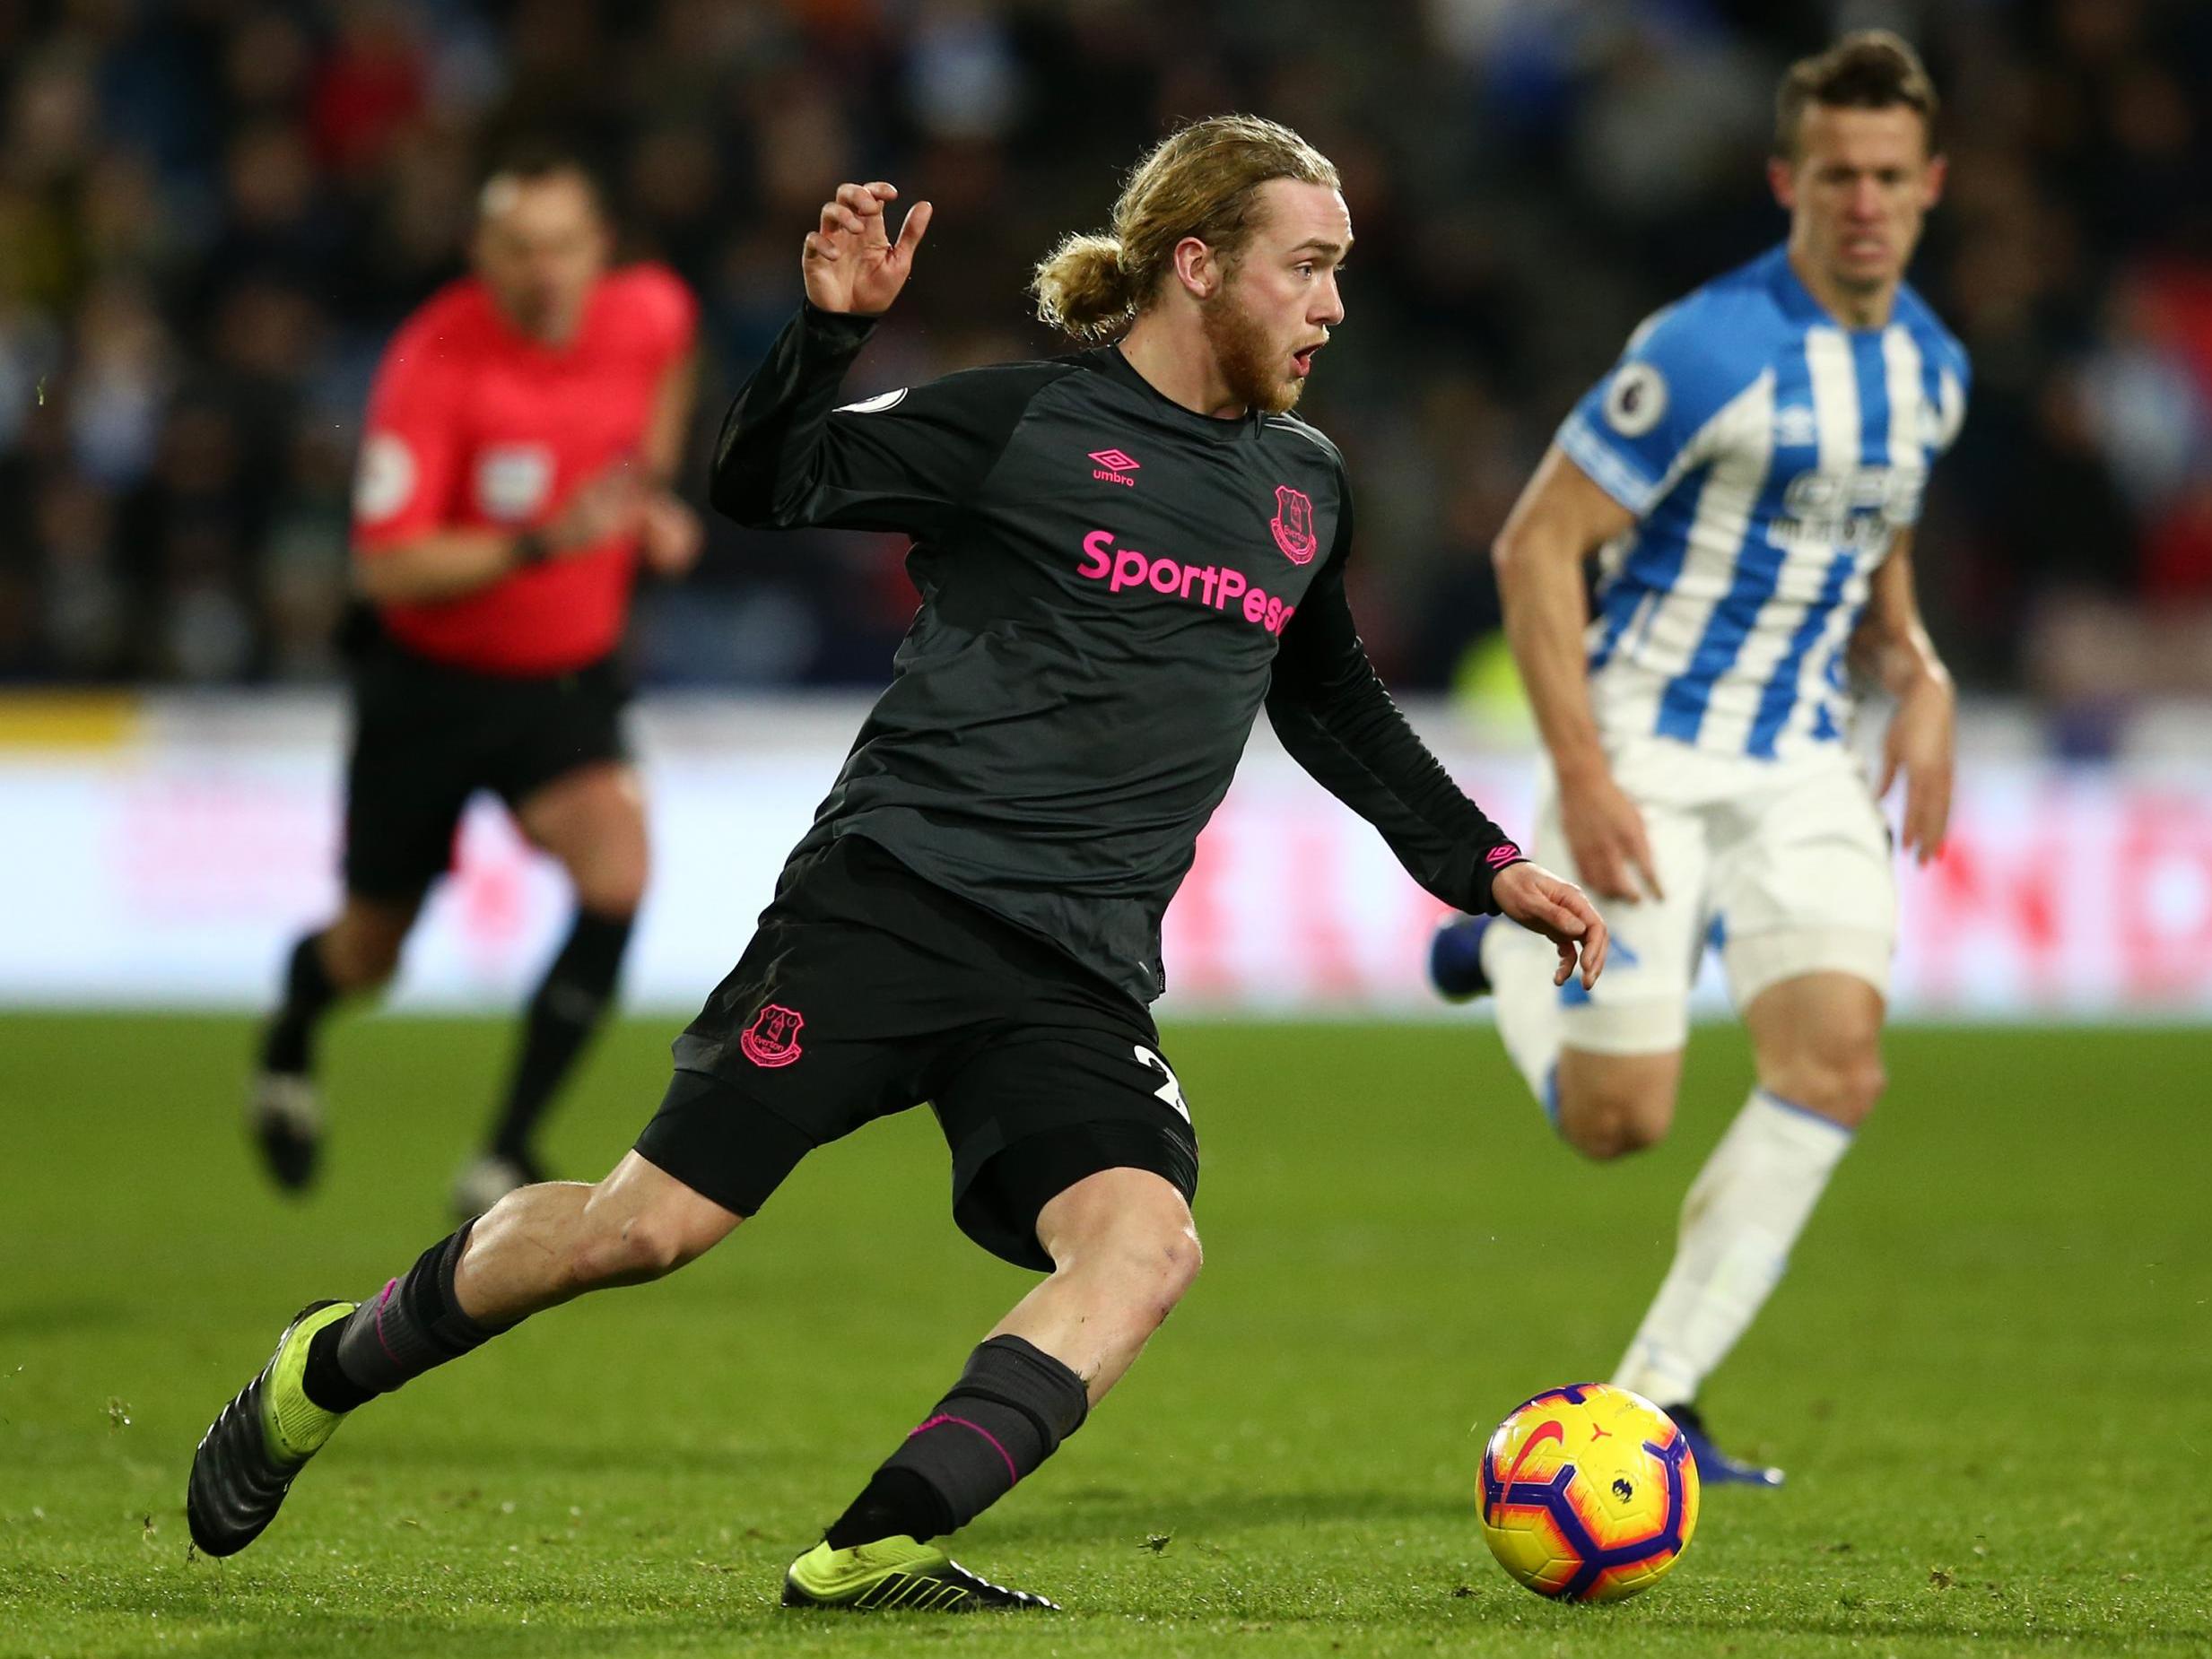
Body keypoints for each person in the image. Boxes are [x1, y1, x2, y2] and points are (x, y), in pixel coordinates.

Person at [188, 115, 1607, 1611]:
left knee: (1144, 1245)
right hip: (891, 903)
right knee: (642, 1231)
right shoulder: (1017, 426)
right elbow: (764, 483)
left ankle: (876, 1546)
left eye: (1339, 272)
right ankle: (322, 1366)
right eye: (1306, 269)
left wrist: (1485, 864)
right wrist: (823, 338)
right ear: (1196, 266)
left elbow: (1329, 701)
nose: (1330, 306)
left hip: (1075, 968)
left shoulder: (1303, 487)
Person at [1427, 33, 1966, 1484]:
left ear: (1930, 188)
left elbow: (1874, 534)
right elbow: (1537, 542)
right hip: (1649, 750)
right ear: (1789, 179)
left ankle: (1653, 1401)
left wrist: (1916, 673)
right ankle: (1498, 959)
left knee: (1837, 1069)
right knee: (1621, 1126)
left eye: (1890, 177)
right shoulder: (1707, 344)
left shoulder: (1931, 366)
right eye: (1838, 175)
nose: (1864, 201)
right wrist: (1586, 777)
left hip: (1800, 765)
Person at [248, 152, 702, 1219]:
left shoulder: (648, 311)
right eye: (520, 247)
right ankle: (288, 1039)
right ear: (482, 256)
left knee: (618, 873)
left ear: (600, 249)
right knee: (368, 952)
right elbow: (386, 565)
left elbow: (672, 360)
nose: (545, 270)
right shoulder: (435, 364)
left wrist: (647, 494)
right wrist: (548, 538)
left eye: (563, 245)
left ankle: (503, 1150)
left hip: (564, 685)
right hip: (429, 689)